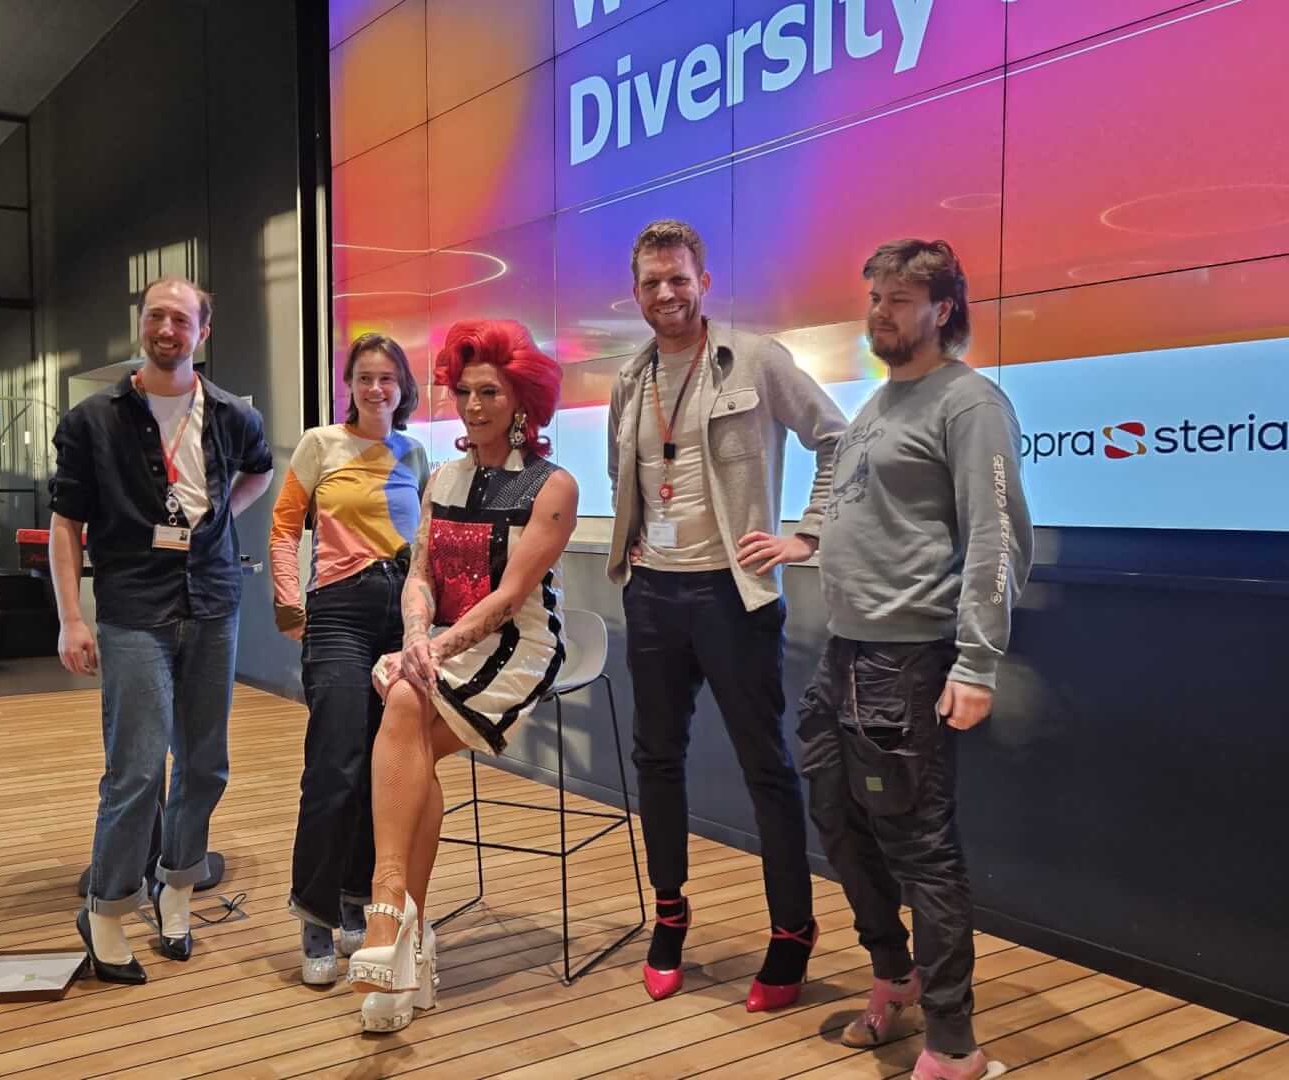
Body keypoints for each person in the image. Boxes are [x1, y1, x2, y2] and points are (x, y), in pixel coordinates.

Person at [798, 240, 1032, 1080]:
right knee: (837, 819)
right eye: (874, 299)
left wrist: (975, 663)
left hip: (913, 662)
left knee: (921, 849)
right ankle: (893, 978)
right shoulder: (878, 402)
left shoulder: (968, 404)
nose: (881, 314)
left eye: (900, 299)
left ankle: (953, 1043)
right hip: (845, 657)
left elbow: (998, 538)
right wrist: (806, 536)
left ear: (943, 308)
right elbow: (855, 502)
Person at [607, 219, 847, 1010]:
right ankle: (669, 916)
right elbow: (630, 476)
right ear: (636, 291)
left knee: (765, 768)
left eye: (678, 278)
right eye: (651, 282)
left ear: (703, 282)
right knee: (657, 762)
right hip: (653, 593)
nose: (665, 293)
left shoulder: (757, 360)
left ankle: (791, 933)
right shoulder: (629, 378)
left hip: (733, 596)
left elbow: (838, 441)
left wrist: (805, 534)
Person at [345, 319, 576, 1034]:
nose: (474, 406)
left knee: (404, 709)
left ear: (522, 401)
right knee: (408, 715)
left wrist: (433, 652)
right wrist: (415, 633)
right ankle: (404, 936)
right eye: (464, 391)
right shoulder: (444, 476)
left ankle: (391, 913)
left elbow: (509, 599)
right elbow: (418, 575)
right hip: (440, 643)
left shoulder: (553, 485)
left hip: (514, 646)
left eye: (490, 391)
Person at [49, 276, 274, 984]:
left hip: (212, 600)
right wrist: (70, 617)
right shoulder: (93, 420)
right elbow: (66, 525)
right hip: (131, 608)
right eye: (155, 315)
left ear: (203, 331)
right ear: (140, 325)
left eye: (181, 317)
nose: (166, 327)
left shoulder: (236, 415)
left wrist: (211, 527)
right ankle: (107, 907)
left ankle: (176, 888)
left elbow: (259, 476)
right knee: (139, 768)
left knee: (206, 763)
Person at [268, 332, 429, 986]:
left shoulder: (415, 453)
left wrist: (425, 621)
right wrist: (289, 607)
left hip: (400, 616)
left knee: (381, 768)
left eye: (387, 378)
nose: (376, 388)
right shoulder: (320, 444)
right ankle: (314, 911)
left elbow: (428, 543)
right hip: (337, 609)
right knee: (334, 761)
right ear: (350, 386)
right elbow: (282, 528)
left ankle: (356, 898)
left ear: (402, 386)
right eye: (364, 377)